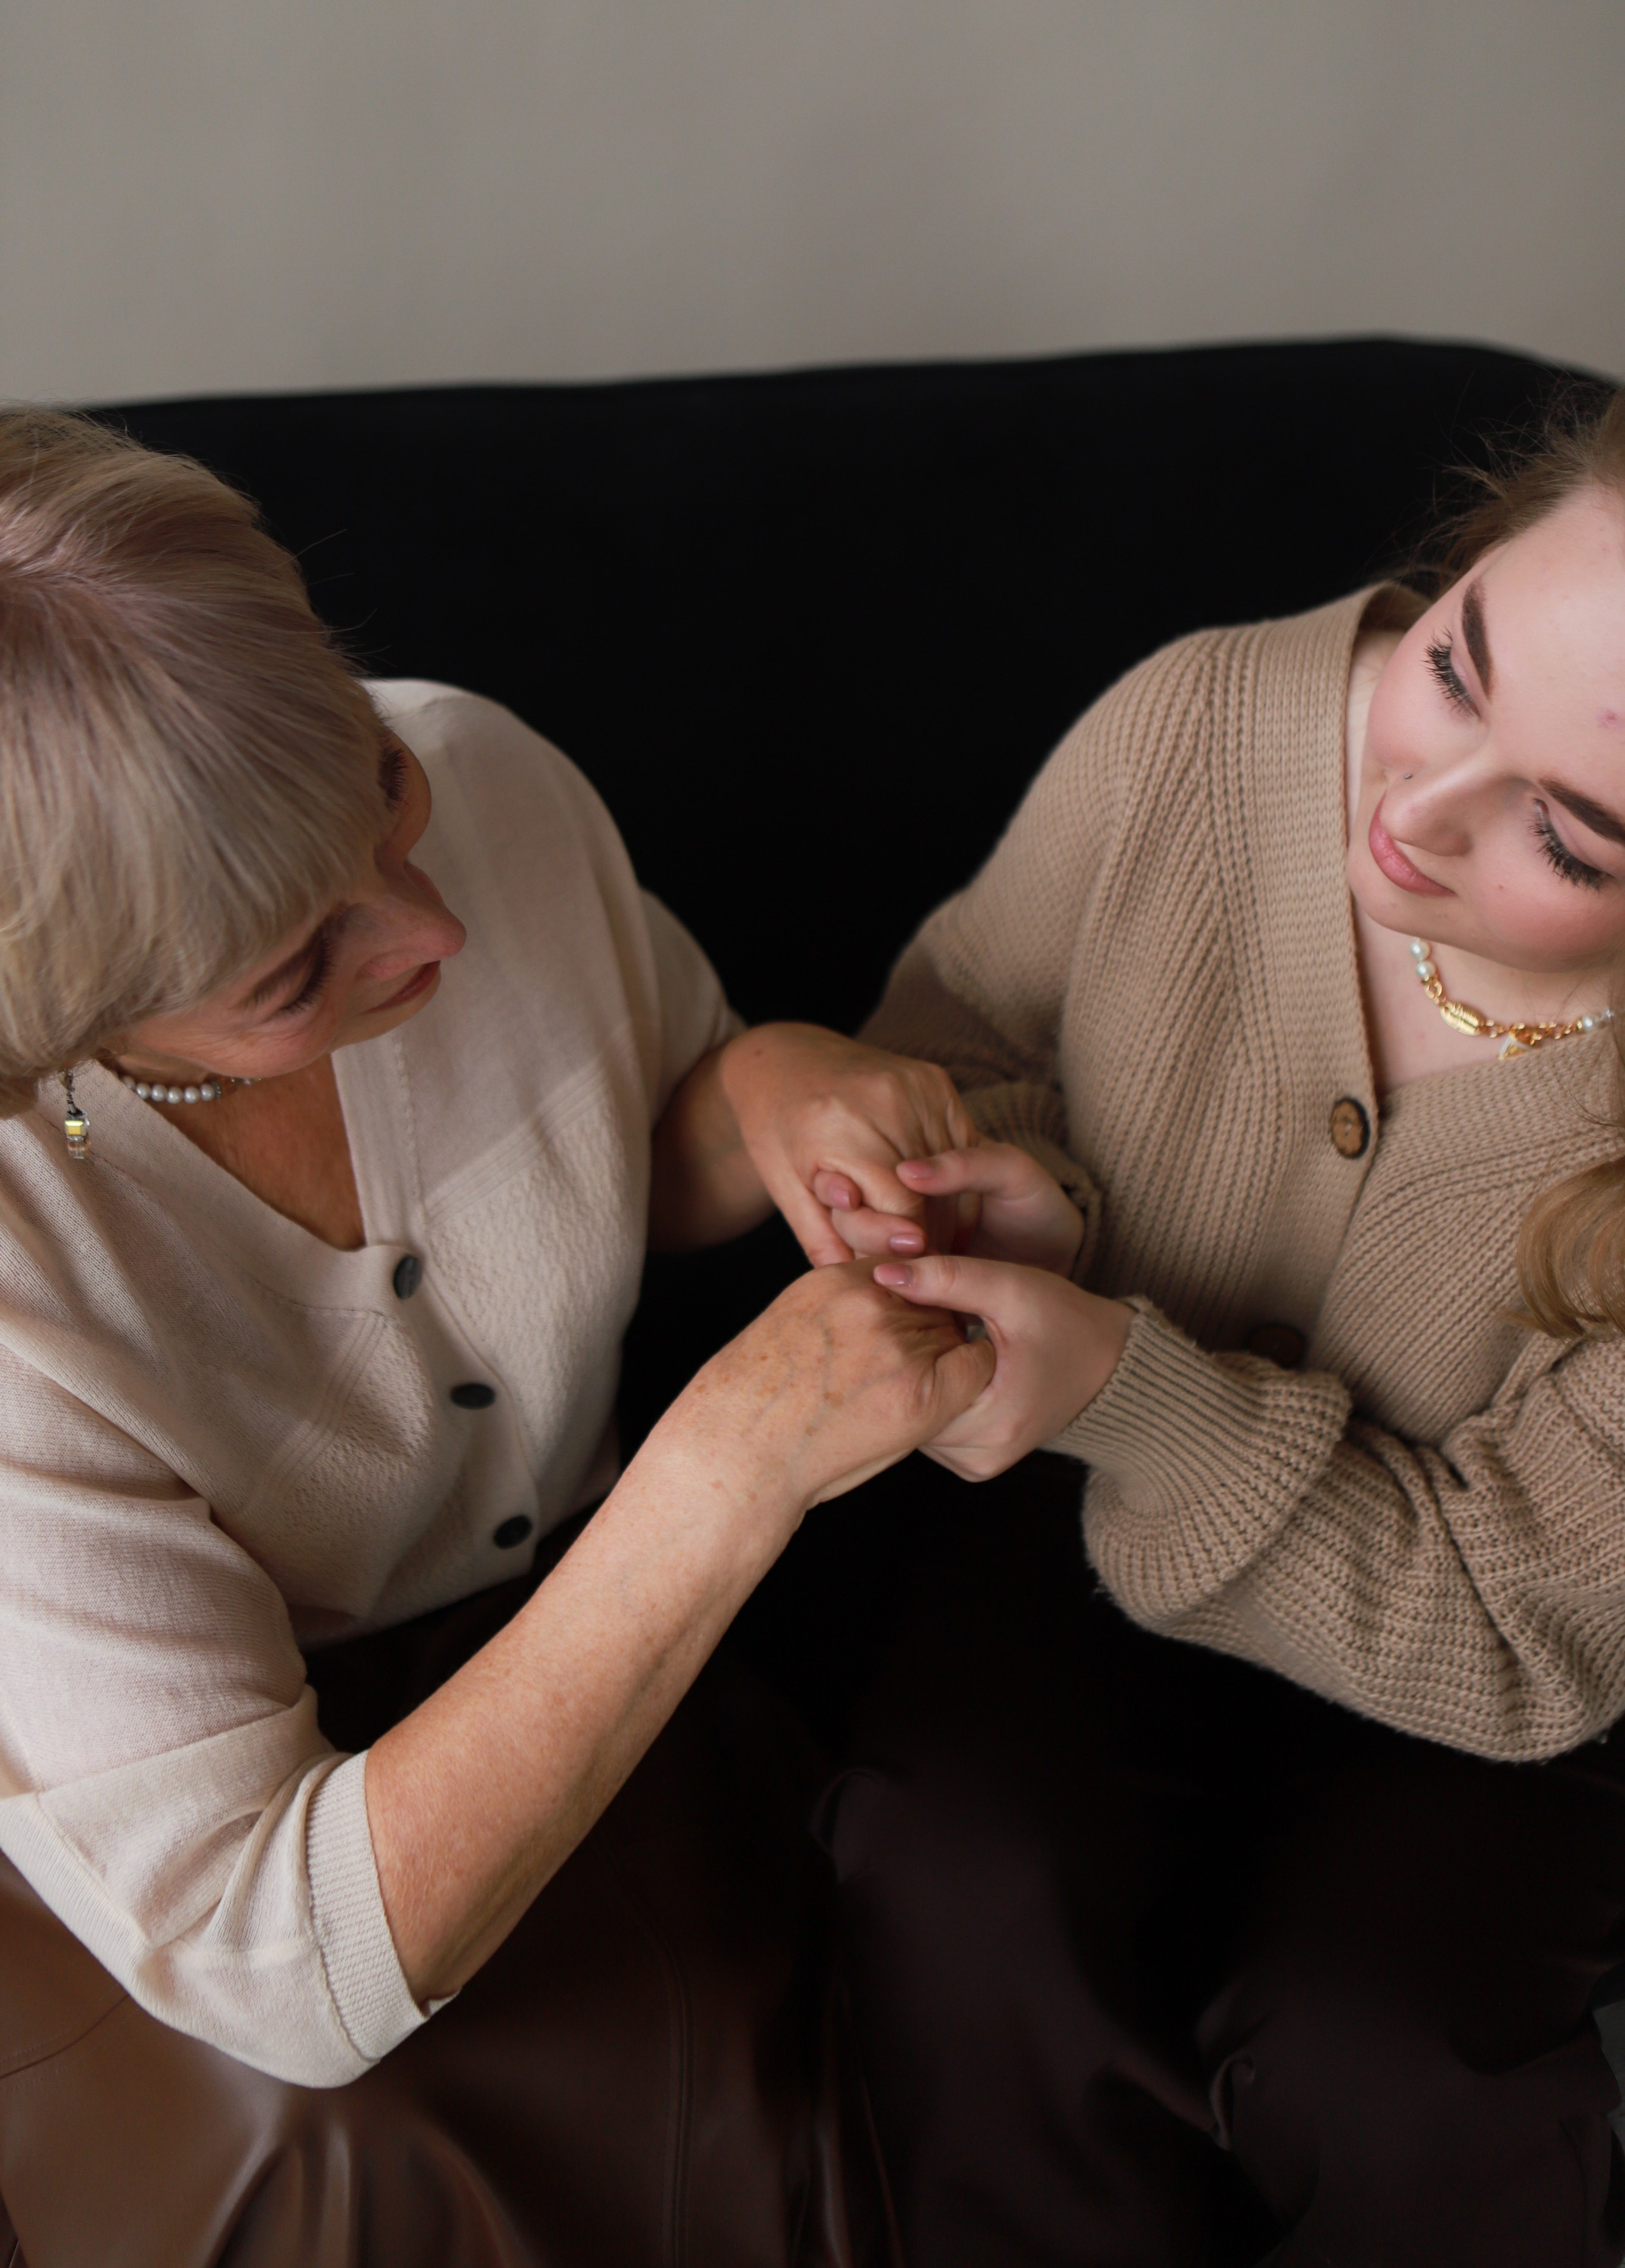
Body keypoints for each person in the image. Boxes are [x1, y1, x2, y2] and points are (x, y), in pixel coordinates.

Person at [0, 409, 993, 2268]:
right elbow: (274, 1972)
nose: (437, 924)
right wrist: (725, 1472)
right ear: (48, 1042)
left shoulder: (493, 774)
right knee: (374, 2173)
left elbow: (610, 1137)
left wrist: (767, 1093)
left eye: (376, 781)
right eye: (296, 971)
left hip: (594, 1682)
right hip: (191, 1882)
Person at [809, 387, 1625, 2264]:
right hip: (1074, 1522)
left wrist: (1136, 1386)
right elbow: (955, 1047)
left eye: (1568, 842)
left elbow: (1523, 1639)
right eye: (1453, 666)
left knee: (1385, 2050)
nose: (1411, 809)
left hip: (1508, 1664)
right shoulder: (1199, 722)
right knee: (954, 1871)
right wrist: (1045, 1208)